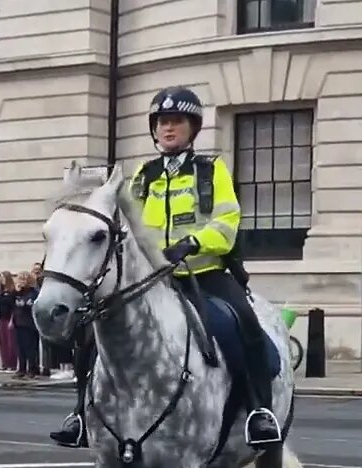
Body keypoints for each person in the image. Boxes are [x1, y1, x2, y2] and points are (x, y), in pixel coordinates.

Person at [50, 85, 279, 448]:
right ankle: (80, 413)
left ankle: (259, 412)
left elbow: (227, 221)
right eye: (162, 123)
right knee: (93, 333)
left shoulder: (212, 170)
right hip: (153, 279)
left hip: (205, 274)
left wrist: (193, 242)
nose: (168, 129)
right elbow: (124, 225)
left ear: (193, 128)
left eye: (177, 122)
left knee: (241, 323)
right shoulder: (141, 175)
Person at [13, 271, 40, 378]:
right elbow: (9, 302)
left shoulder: (34, 292)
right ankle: (21, 369)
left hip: (29, 324)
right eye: (20, 279)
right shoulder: (17, 292)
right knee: (20, 348)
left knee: (30, 348)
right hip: (18, 323)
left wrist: (26, 305)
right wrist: (16, 292)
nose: (21, 282)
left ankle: (32, 369)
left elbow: (34, 303)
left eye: (23, 279)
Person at [0, 271, 18, 372]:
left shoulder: (13, 292)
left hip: (10, 318)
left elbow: (14, 307)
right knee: (3, 342)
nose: (2, 280)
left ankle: (12, 364)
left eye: (3, 278)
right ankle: (4, 363)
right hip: (1, 318)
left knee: (11, 343)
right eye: (1, 278)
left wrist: (12, 320)